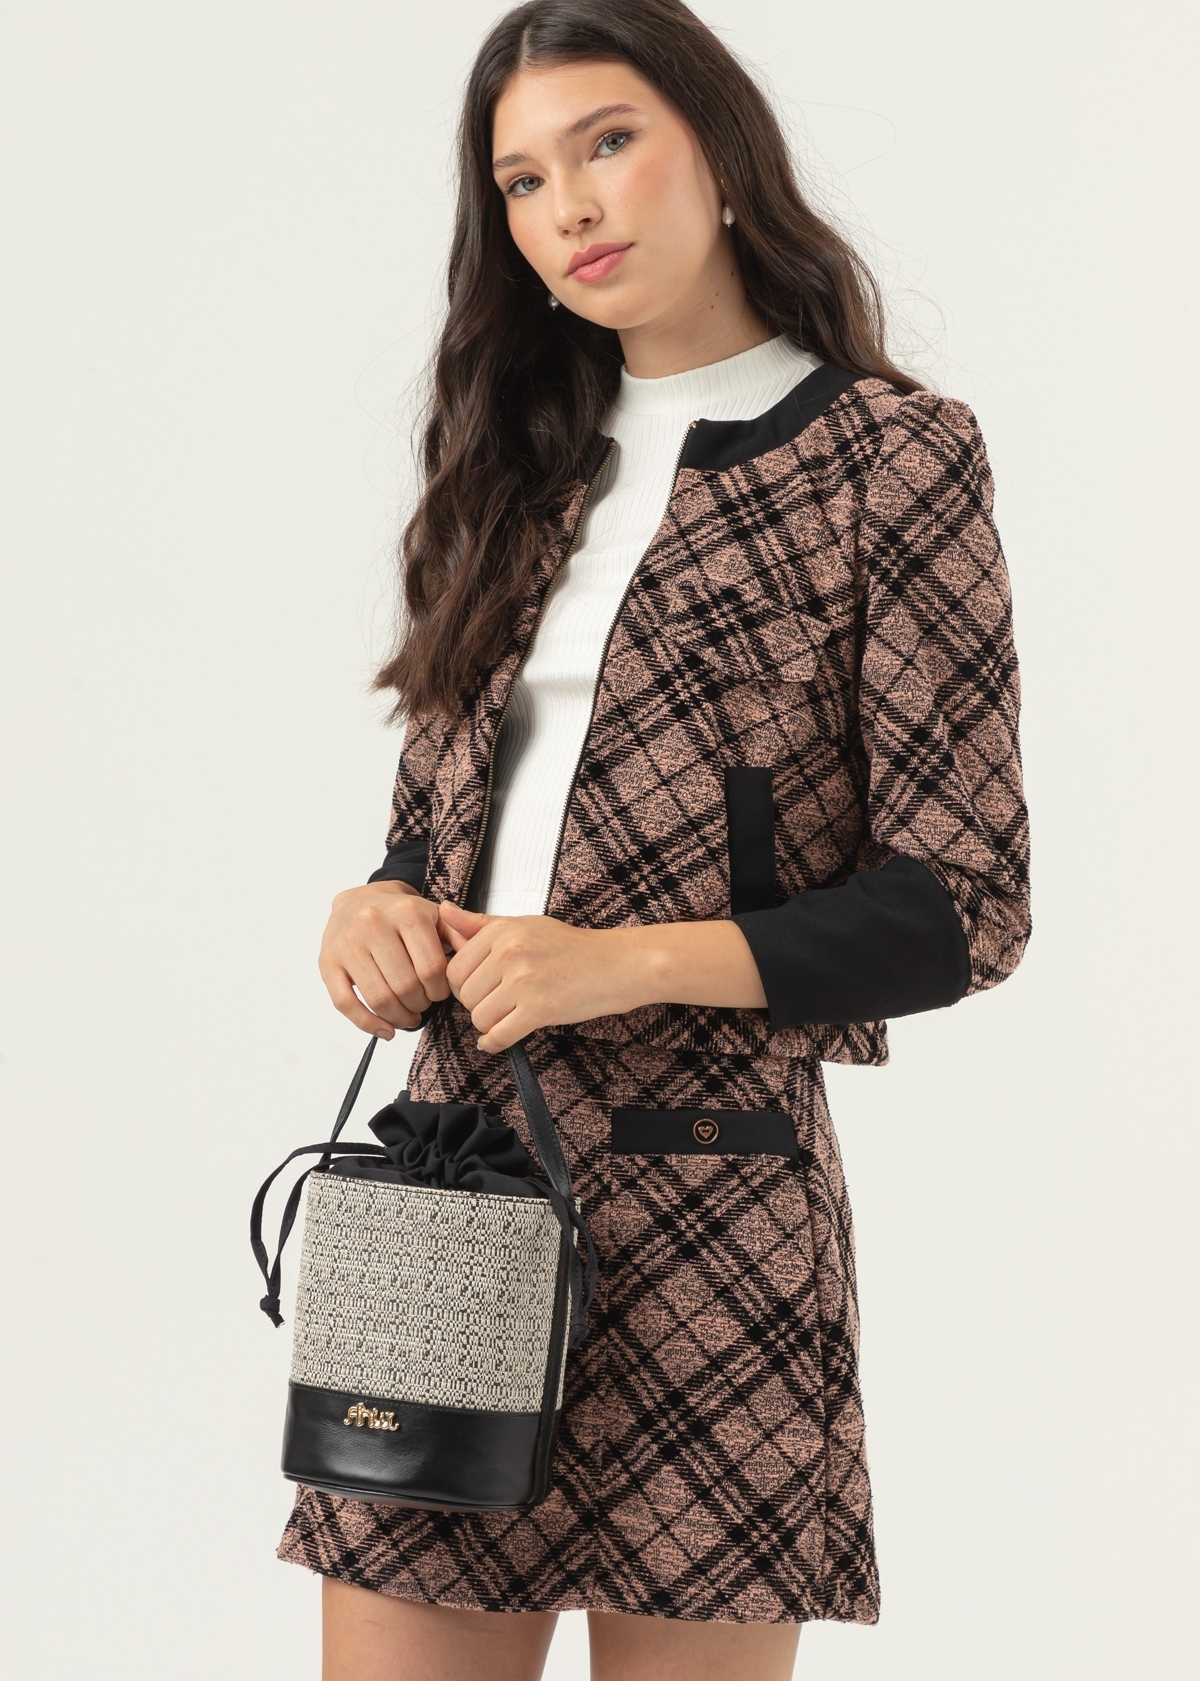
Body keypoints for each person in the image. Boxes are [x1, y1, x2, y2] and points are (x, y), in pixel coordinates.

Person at [277, 2, 1031, 1676]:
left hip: (720, 1211)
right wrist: (375, 909)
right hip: (454, 1178)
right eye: (523, 180)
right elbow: (432, 829)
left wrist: (621, 965)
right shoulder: (511, 468)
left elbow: (963, 902)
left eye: (608, 142)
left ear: (720, 150)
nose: (571, 205)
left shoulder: (888, 459)